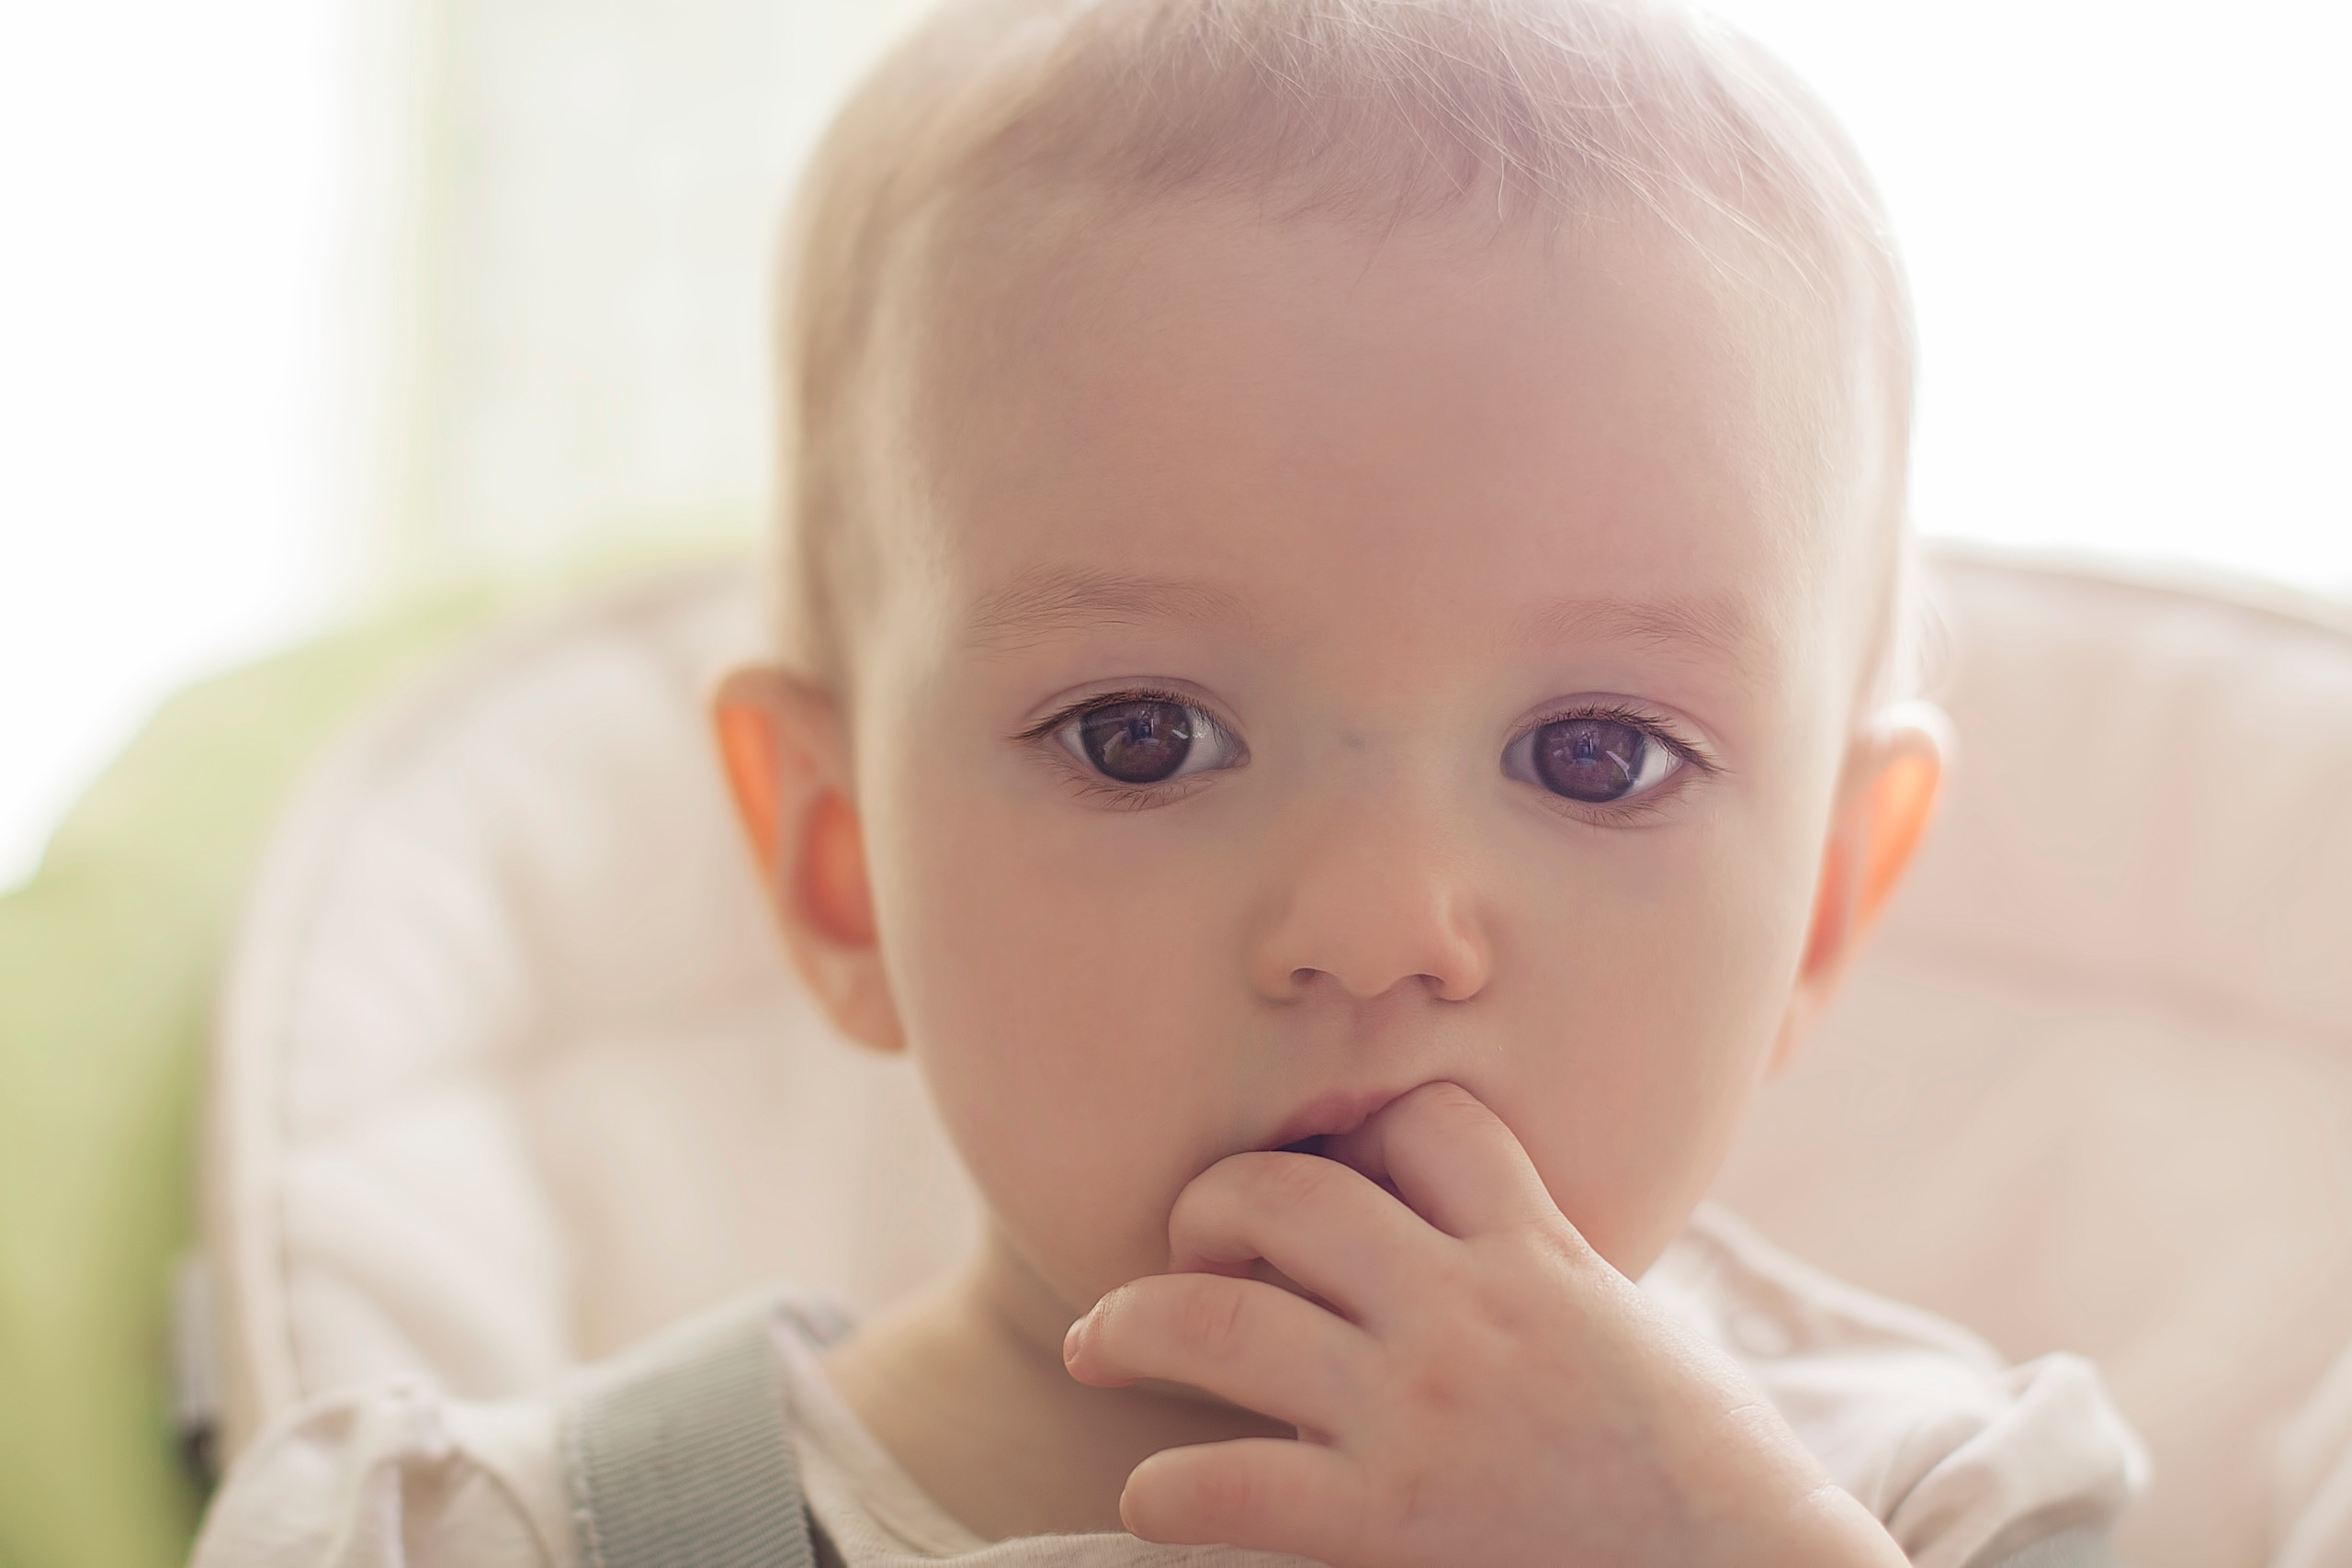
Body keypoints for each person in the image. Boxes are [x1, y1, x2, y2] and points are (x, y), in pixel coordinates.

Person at [191, 0, 2149, 1562]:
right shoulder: (506, 1533)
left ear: (1818, 895)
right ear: (838, 863)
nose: (1379, 923)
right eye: (1142, 735)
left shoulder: (1920, 1508)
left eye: (1594, 754)